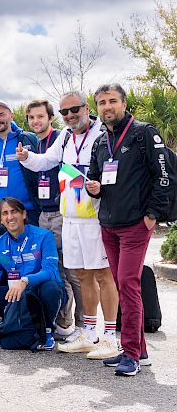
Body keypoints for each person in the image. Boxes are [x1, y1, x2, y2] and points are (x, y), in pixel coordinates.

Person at [18, 91, 117, 356]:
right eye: (65, 112)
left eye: (75, 109)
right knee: (82, 274)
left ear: (86, 108)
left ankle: (109, 336)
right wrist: (26, 156)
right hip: (71, 216)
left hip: (96, 216)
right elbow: (45, 162)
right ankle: (88, 332)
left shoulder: (103, 133)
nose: (70, 115)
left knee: (103, 275)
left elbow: (115, 170)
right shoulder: (64, 136)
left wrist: (101, 186)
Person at [85, 83, 167, 376]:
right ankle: (139, 350)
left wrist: (153, 214)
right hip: (109, 225)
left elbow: (164, 175)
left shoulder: (144, 133)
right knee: (124, 286)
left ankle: (130, 354)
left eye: (112, 101)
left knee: (128, 284)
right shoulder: (100, 142)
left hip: (135, 224)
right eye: (102, 102)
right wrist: (92, 188)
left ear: (124, 103)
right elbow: (94, 177)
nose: (107, 107)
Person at [19, 98, 82, 343]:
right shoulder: (35, 144)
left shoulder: (61, 139)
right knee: (54, 269)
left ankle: (80, 324)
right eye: (31, 117)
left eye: (40, 116)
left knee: (71, 270)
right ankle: (62, 320)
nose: (36, 121)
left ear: (51, 118)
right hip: (43, 213)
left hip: (63, 212)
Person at [0, 197, 63, 350]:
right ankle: (14, 323)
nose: (10, 217)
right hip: (16, 292)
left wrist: (25, 281)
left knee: (50, 289)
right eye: (5, 213)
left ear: (24, 214)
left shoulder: (44, 236)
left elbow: (51, 271)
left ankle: (47, 330)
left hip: (40, 290)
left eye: (14, 211)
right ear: (0, 220)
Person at [0, 100, 41, 246]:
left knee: (32, 257)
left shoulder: (28, 139)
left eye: (1, 114)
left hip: (28, 212)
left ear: (11, 115)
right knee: (1, 259)